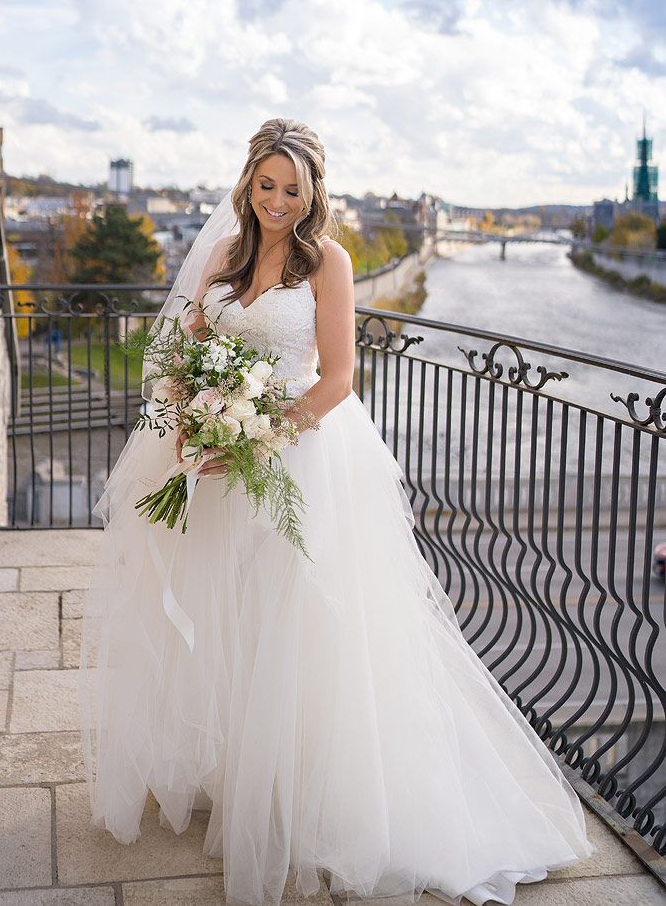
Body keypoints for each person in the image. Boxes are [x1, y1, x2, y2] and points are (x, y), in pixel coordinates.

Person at [78, 118, 594, 906]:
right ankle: (246, 769)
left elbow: (338, 376)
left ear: (312, 192)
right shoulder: (223, 255)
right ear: (248, 183)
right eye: (267, 185)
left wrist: (257, 437)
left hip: (301, 455)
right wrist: (189, 421)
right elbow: (185, 348)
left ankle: (310, 790)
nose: (279, 201)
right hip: (219, 454)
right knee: (232, 618)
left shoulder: (330, 262)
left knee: (302, 625)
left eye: (293, 189)